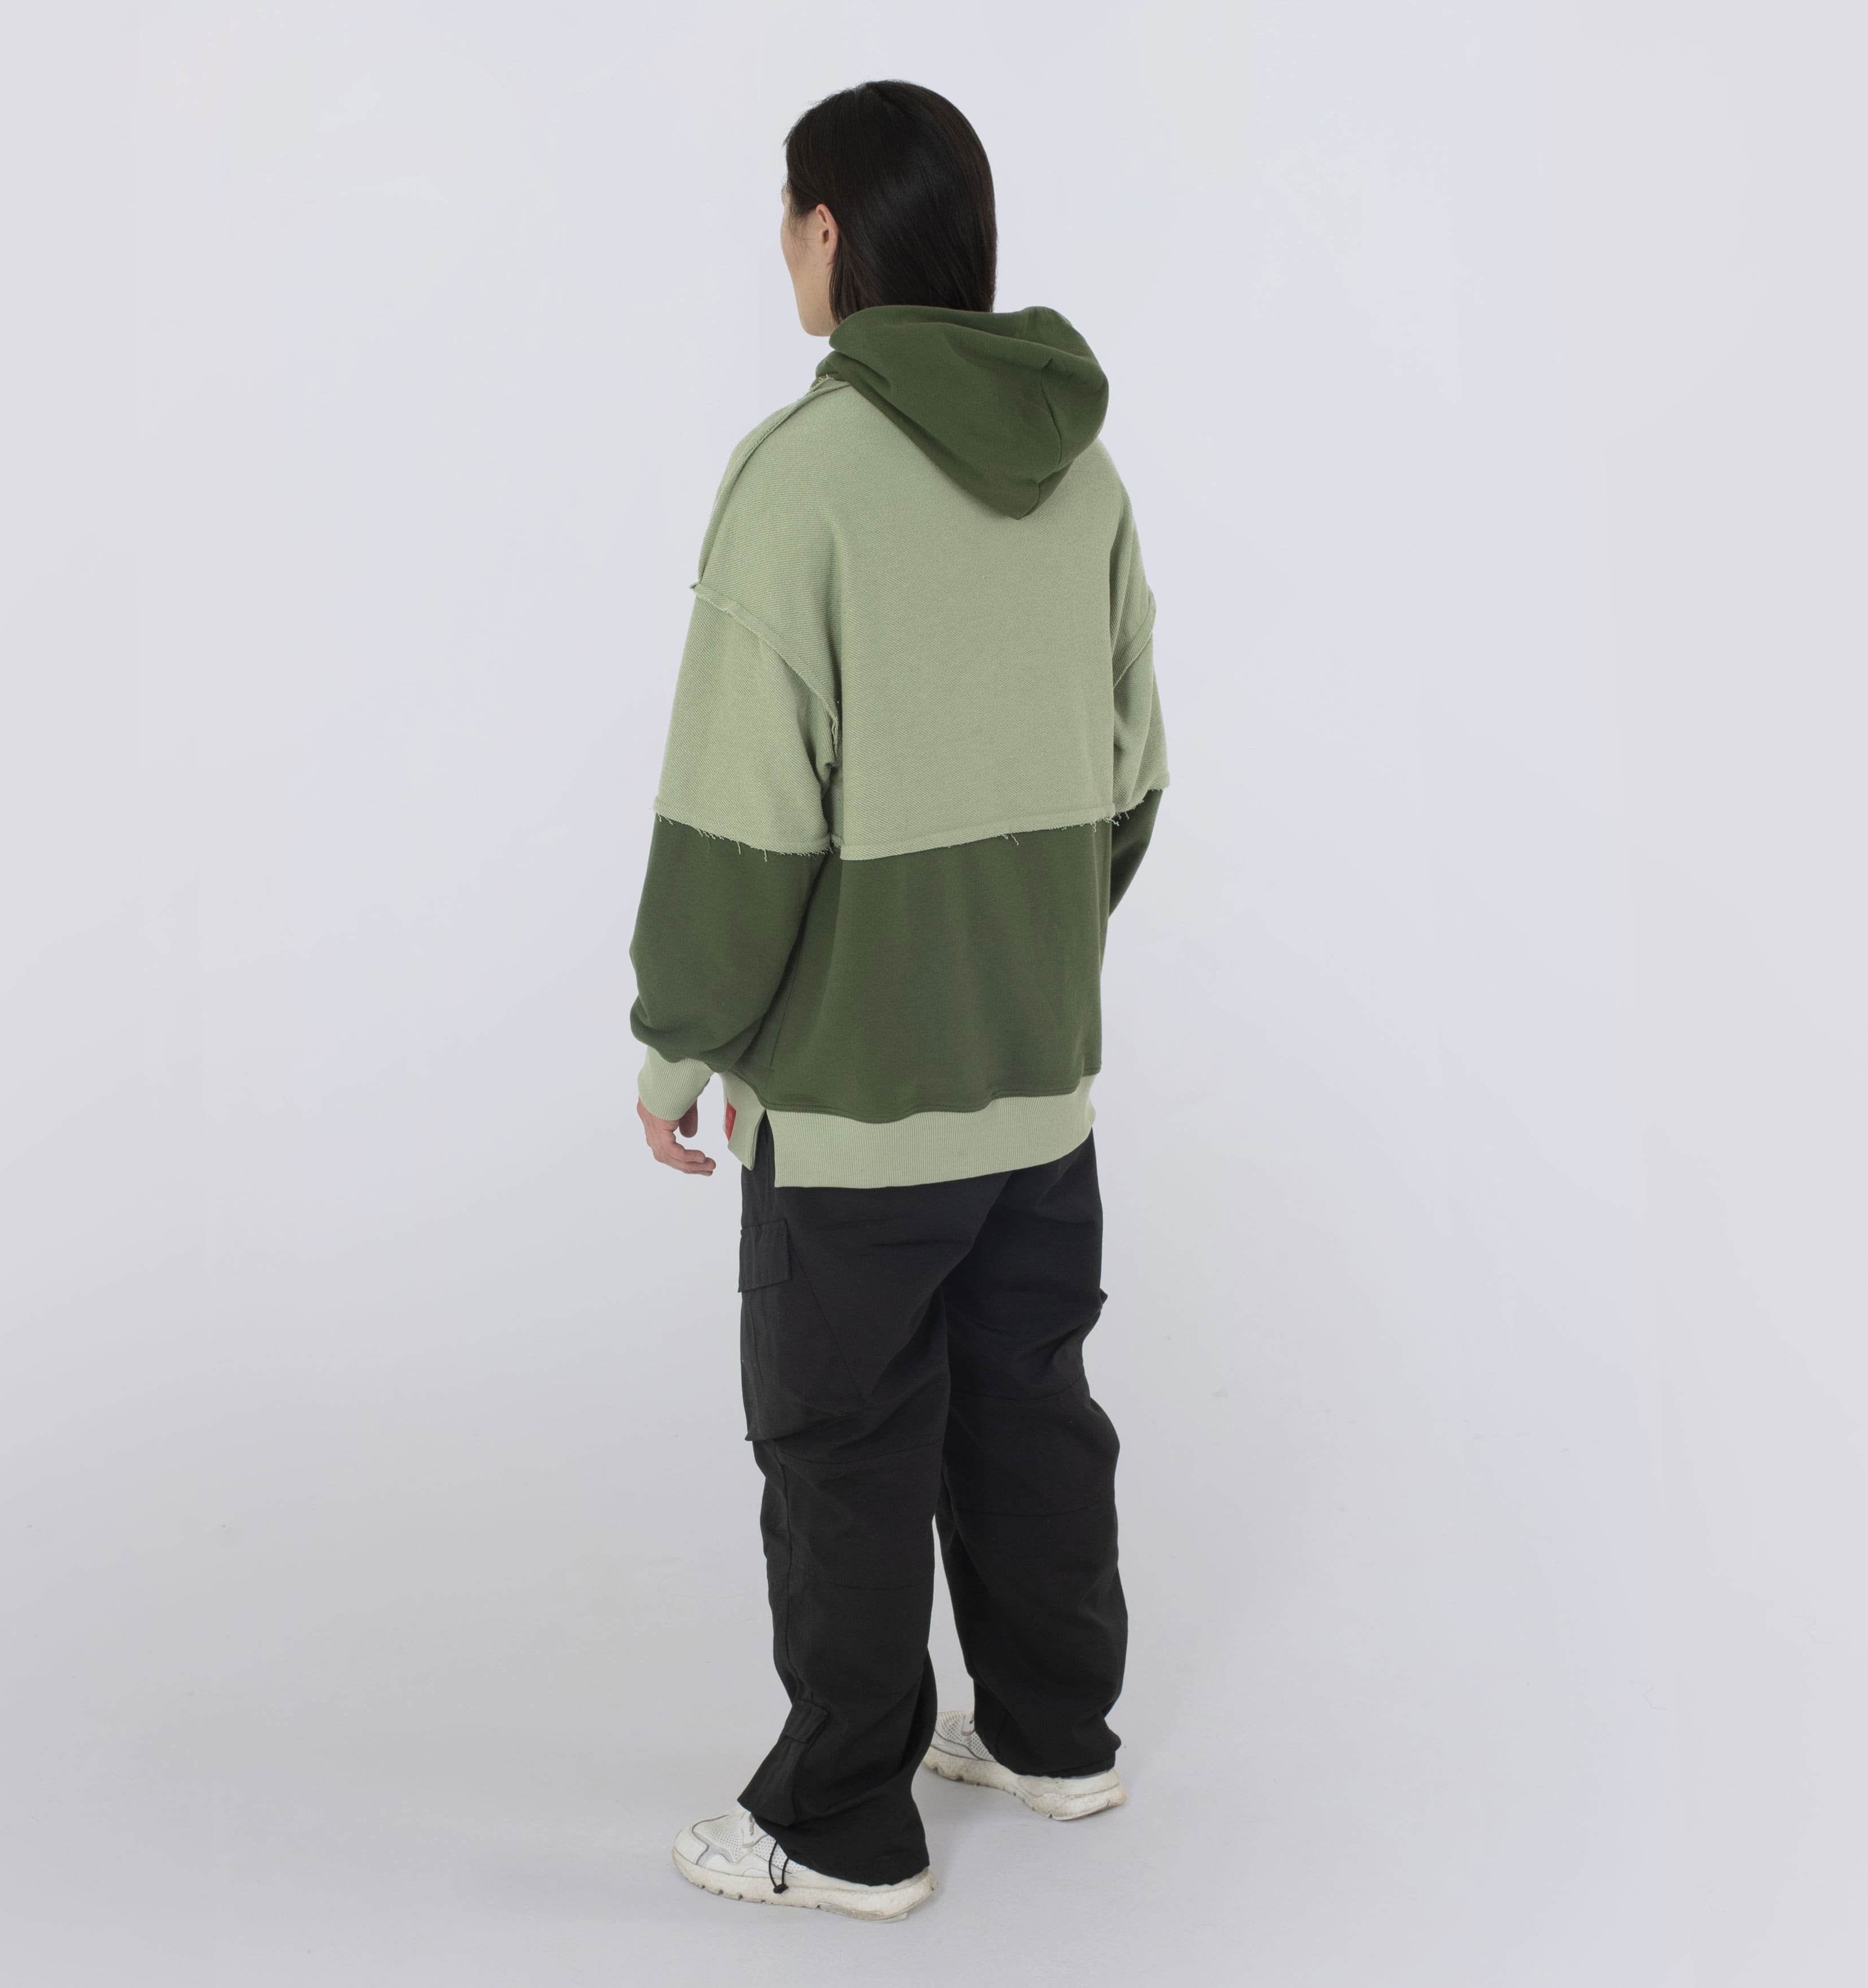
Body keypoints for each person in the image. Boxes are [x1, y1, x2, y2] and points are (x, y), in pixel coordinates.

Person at [628, 79, 1167, 1920]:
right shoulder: (1085, 474)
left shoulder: (806, 476)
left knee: (845, 1444)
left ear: (828, 232)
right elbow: (1131, 779)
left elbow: (738, 820)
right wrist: (1016, 953)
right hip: (1037, 1078)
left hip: (857, 1108)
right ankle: (1054, 1732)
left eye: (788, 217)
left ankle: (841, 1823)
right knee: (1028, 1407)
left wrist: (680, 1038)